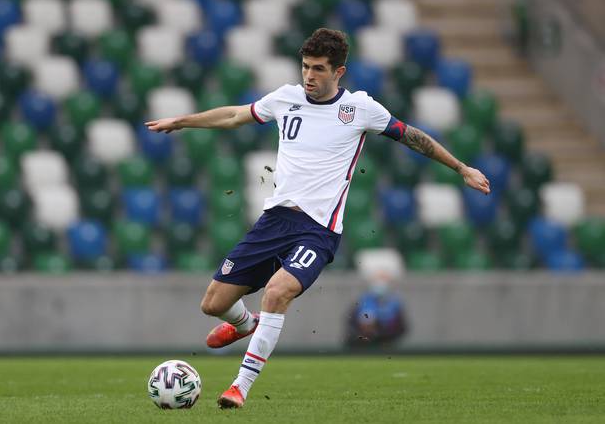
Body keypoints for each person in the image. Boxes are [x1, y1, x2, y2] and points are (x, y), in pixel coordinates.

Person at [146, 28, 491, 408]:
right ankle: (247, 325)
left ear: (338, 72)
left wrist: (461, 168)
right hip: (275, 220)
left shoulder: (360, 109)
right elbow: (233, 116)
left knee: (277, 292)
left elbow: (412, 136)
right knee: (213, 303)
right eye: (306, 67)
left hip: (318, 230)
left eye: (319, 69)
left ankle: (239, 386)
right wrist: (182, 120)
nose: (309, 76)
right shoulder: (286, 98)